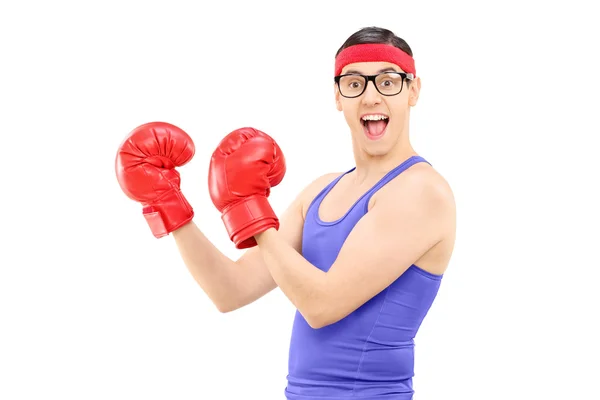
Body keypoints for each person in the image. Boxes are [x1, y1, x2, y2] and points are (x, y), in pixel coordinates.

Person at [115, 26, 456, 400]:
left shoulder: (421, 191)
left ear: (413, 91)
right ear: (338, 96)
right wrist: (168, 203)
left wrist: (249, 211)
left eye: (388, 82)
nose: (372, 96)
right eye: (355, 83)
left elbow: (323, 305)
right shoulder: (321, 191)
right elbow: (231, 289)